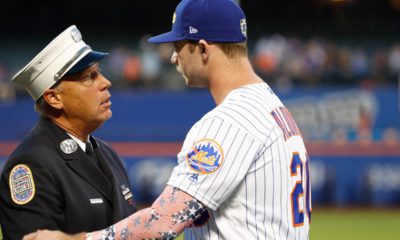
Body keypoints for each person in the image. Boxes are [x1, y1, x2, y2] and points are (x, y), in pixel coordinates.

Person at [23, 0, 312, 239]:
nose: (174, 59)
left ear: (202, 49)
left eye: (178, 48)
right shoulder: (273, 107)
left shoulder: (228, 122)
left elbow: (161, 223)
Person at [0, 25, 137, 240]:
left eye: (99, 72)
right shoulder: (32, 165)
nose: (105, 82)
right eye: (88, 77)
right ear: (54, 98)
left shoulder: (107, 152)